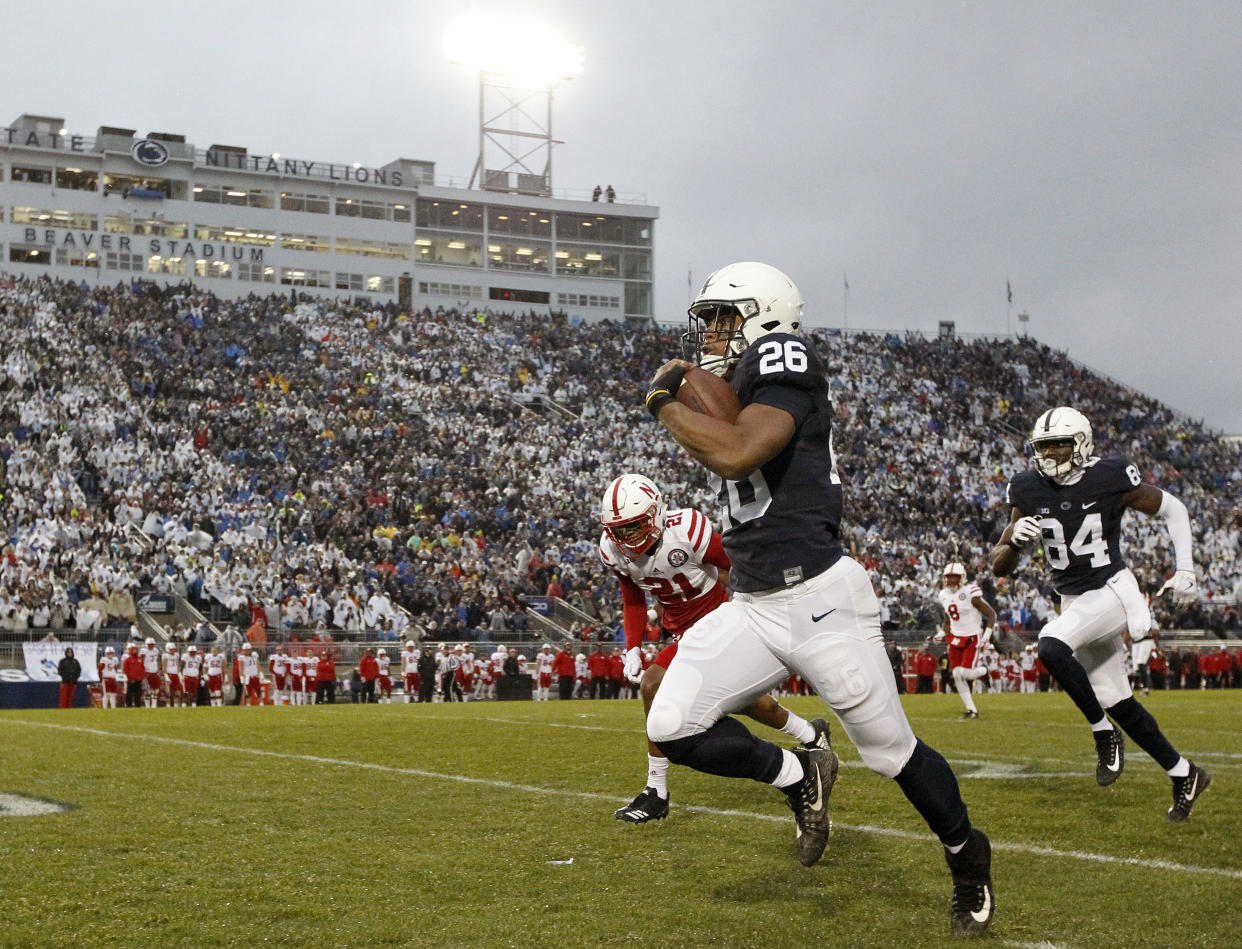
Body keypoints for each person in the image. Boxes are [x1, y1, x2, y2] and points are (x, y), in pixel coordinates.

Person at [643, 261, 992, 935]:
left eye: (726, 315)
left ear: (766, 316)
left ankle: (967, 853)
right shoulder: (751, 376)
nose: (713, 329)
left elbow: (740, 451)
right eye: (709, 317)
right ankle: (798, 773)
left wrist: (664, 401)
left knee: (891, 751)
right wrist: (690, 383)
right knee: (671, 724)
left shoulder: (786, 354)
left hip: (819, 599)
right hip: (754, 604)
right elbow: (732, 418)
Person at [992, 405, 1210, 822]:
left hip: (1110, 590)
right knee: (1117, 698)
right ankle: (1184, 773)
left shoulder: (1109, 476)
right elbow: (999, 565)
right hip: (1073, 599)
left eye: (1059, 445)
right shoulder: (1025, 488)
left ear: (1082, 443)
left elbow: (1174, 509)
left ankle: (1102, 732)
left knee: (1052, 647)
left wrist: (1185, 567)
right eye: (1044, 446)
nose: (1051, 454)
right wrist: (1014, 542)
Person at [599, 473, 829, 824]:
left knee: (740, 701)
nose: (626, 538)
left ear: (656, 512)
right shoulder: (612, 551)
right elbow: (632, 599)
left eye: (634, 526)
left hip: (718, 622)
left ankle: (809, 737)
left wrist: (750, 611)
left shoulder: (687, 528)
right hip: (682, 635)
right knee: (660, 688)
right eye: (620, 530)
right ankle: (656, 790)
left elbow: (736, 566)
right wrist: (632, 648)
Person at [935, 563, 998, 719]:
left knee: (967, 673)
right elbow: (948, 617)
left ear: (961, 577)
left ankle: (983, 671)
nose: (950, 581)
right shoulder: (943, 594)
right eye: (948, 577)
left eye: (953, 577)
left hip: (971, 636)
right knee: (956, 674)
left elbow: (991, 614)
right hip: (955, 636)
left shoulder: (971, 592)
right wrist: (942, 632)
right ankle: (972, 710)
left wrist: (986, 636)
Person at [122, 643, 145, 708]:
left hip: (138, 680)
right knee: (129, 694)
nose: (135, 651)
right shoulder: (127, 660)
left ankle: (138, 706)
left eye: (136, 650)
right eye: (134, 650)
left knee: (138, 694)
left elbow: (143, 669)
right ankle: (128, 705)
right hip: (131, 680)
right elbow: (125, 670)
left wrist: (141, 677)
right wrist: (131, 678)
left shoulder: (140, 659)